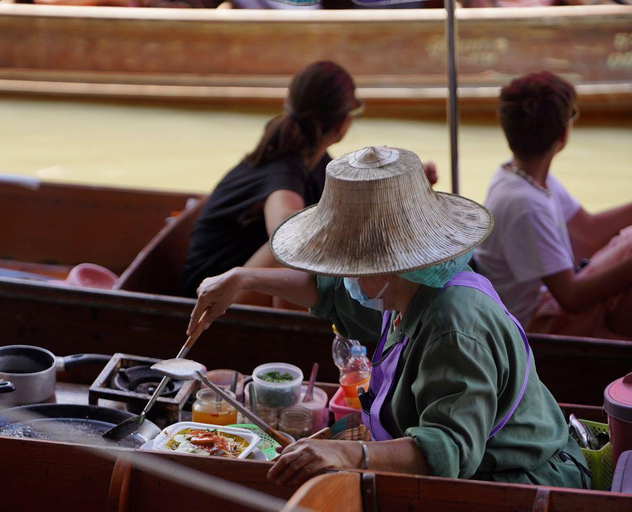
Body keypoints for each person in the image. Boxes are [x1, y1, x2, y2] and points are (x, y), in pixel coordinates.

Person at [187, 146, 587, 488]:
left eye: (346, 264)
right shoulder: (403, 291)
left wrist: (348, 453)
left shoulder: (452, 323)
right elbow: (325, 293)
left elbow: (447, 450)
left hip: (518, 477)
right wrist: (241, 279)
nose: (341, 276)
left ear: (384, 263)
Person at [182, 61, 437, 304]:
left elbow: (349, 199)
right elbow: (286, 232)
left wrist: (403, 189)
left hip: (225, 284)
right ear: (342, 123)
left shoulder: (315, 161)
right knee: (295, 244)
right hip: (213, 296)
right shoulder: (284, 171)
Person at [474, 71, 632, 339]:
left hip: (552, 302)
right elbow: (572, 297)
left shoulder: (521, 175)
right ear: (562, 135)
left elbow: (589, 229)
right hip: (534, 326)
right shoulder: (524, 203)